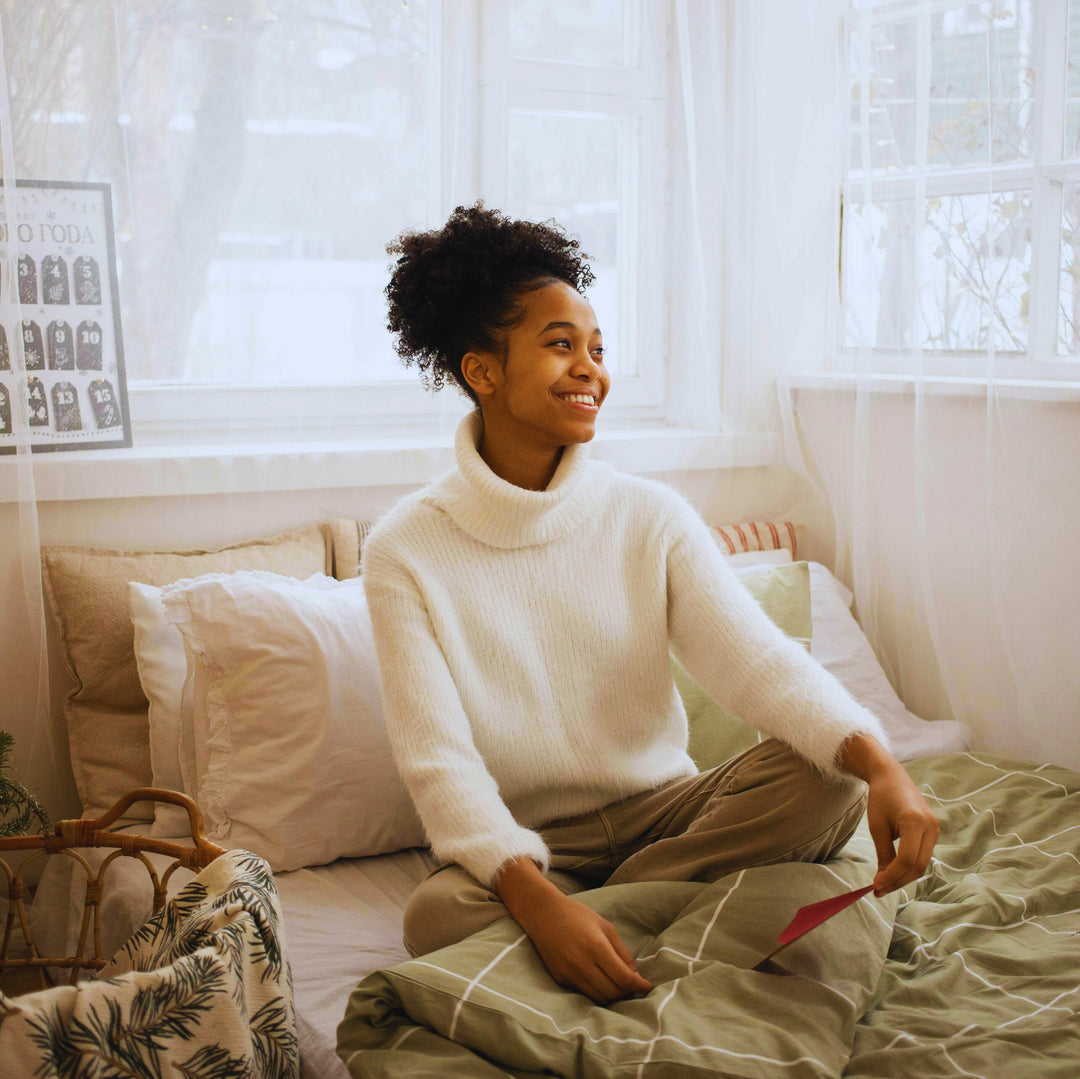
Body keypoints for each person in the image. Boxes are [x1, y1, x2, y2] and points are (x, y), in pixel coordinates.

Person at [362, 203, 939, 1006]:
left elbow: (759, 663)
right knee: (435, 915)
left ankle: (599, 922)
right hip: (534, 845)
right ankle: (632, 919)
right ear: (482, 371)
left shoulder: (649, 516)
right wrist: (536, 894)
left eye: (598, 350)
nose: (591, 369)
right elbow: (439, 763)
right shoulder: (403, 550)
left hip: (669, 813)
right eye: (561, 345)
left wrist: (880, 763)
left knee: (826, 779)